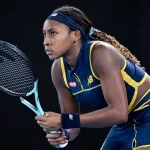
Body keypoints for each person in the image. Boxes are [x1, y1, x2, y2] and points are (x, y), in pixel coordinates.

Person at [35, 5, 150, 150]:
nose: (46, 41)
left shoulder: (101, 53)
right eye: (44, 34)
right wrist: (65, 134)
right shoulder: (58, 70)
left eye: (53, 33)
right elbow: (73, 125)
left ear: (75, 35)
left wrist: (65, 120)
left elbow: (119, 113)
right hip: (123, 125)